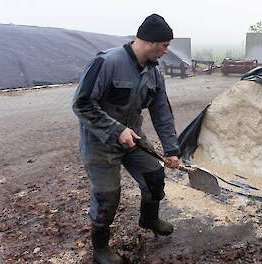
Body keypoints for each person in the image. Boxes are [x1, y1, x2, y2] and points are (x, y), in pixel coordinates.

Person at [72, 14, 180, 264]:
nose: (167, 51)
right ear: (150, 42)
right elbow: (82, 104)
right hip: (100, 142)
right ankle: (100, 248)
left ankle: (149, 218)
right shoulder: (107, 62)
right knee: (107, 197)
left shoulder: (154, 73)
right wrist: (115, 130)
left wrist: (172, 150)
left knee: (154, 176)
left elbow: (162, 111)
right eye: (164, 45)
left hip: (134, 138)